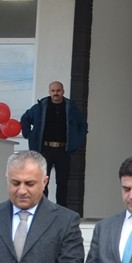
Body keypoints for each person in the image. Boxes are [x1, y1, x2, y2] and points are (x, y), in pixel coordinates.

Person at [19, 81, 88, 210]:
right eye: (53, 91)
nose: (56, 93)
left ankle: (62, 211)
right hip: (45, 150)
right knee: (43, 181)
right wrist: (29, 135)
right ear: (49, 92)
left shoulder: (71, 108)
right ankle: (43, 209)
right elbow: (25, 119)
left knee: (63, 182)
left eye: (58, 90)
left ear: (63, 91)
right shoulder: (40, 107)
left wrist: (77, 141)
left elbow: (83, 125)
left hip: (63, 150)